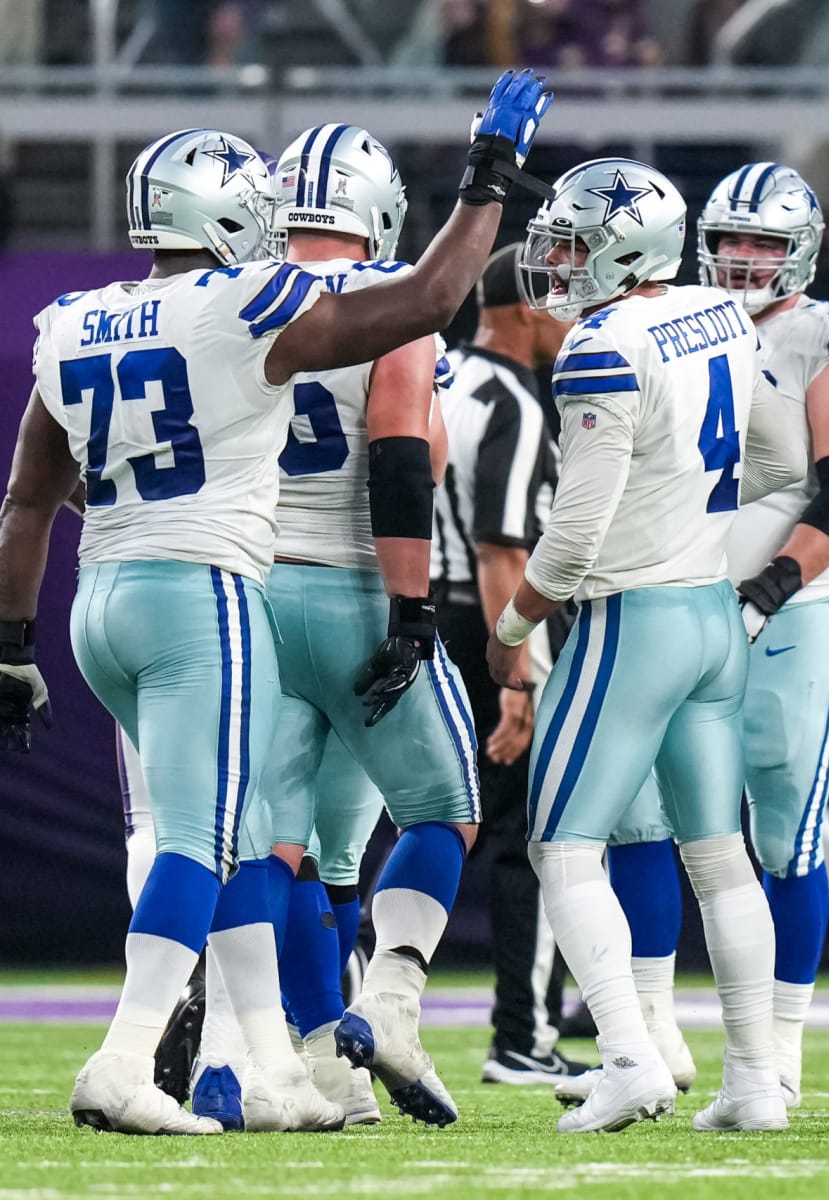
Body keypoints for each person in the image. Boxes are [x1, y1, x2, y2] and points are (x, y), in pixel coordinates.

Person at [0, 70, 553, 1136]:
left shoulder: (79, 318)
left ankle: (264, 1063)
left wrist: (11, 645)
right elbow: (428, 319)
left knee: (235, 839)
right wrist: (488, 174)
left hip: (103, 595)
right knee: (227, 838)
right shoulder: (255, 301)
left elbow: (33, 494)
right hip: (222, 589)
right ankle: (145, 1052)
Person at [554, 160, 829, 1113]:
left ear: (802, 252)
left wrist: (773, 584)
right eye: (729, 241)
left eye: (763, 244)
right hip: (675, 601)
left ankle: (776, 1058)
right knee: (645, 821)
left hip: (793, 613)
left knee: (784, 836)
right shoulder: (676, 318)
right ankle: (649, 1039)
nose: (741, 261)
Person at [487, 156, 809, 1134]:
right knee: (720, 857)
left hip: (632, 618)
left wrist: (511, 627)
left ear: (624, 246)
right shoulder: (718, 311)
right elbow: (785, 461)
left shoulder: (599, 343)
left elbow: (576, 533)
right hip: (713, 615)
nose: (560, 258)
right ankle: (755, 1083)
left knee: (562, 845)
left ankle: (630, 1054)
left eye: (576, 241)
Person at [252, 122, 480, 1129]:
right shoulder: (391, 297)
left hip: (250, 592)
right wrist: (411, 605)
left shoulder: (232, 297)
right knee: (446, 810)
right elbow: (399, 461)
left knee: (288, 845)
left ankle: (324, 1065)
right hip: (352, 585)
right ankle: (386, 1001)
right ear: (377, 210)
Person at [432, 242, 589, 1086]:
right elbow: (503, 547)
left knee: (407, 823)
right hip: (482, 625)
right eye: (563, 302)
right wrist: (518, 673)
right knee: (527, 836)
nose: (573, 320)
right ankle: (522, 1036)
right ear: (528, 309)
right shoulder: (513, 403)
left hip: (410, 613)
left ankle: (340, 996)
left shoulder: (437, 375)